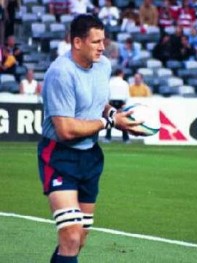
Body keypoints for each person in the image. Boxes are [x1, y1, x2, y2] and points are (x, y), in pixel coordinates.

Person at [37, 14, 143, 263]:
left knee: (78, 239)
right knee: (71, 235)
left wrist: (113, 113)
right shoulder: (60, 73)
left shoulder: (103, 65)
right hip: (60, 155)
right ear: (77, 42)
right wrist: (109, 123)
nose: (102, 47)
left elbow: (98, 102)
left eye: (103, 40)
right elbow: (65, 130)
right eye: (96, 42)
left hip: (91, 157)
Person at [104, 68, 130, 143]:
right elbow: (127, 95)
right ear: (121, 73)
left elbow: (107, 94)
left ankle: (108, 137)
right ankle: (125, 139)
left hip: (112, 102)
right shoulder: (124, 83)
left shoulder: (110, 83)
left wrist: (108, 103)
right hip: (121, 103)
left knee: (110, 120)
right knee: (123, 120)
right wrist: (124, 104)